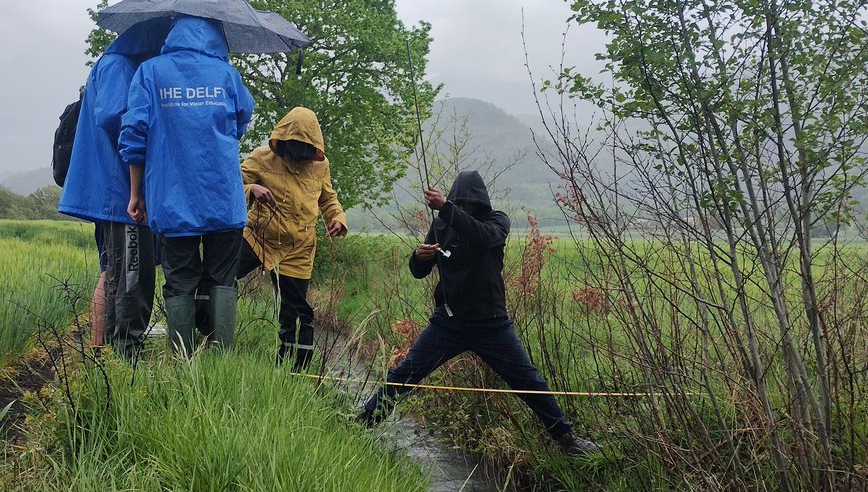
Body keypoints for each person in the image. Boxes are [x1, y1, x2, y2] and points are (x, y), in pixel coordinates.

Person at [359, 170, 600, 455]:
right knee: (404, 374)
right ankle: (362, 424)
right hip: (448, 324)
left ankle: (567, 439)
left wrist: (447, 208)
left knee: (529, 382)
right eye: (460, 204)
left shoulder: (496, 221)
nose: (464, 209)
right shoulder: (441, 225)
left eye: (469, 204)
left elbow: (482, 237)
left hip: (491, 324)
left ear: (480, 203)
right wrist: (419, 258)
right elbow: (419, 273)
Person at [119, 16, 255, 353]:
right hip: (223, 195)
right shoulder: (226, 74)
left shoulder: (150, 72)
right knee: (222, 278)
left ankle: (183, 361)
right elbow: (242, 118)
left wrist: (137, 194)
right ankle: (219, 358)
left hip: (172, 197)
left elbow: (134, 136)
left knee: (180, 279)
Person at [57, 19, 171, 359]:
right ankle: (124, 356)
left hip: (114, 193)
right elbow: (115, 118)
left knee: (115, 271)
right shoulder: (118, 65)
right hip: (118, 193)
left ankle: (101, 356)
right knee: (132, 277)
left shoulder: (117, 62)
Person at [235, 107, 347, 372]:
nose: (298, 156)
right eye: (294, 149)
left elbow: (328, 199)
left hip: (299, 247)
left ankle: (292, 370)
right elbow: (231, 184)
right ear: (283, 142)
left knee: (295, 312)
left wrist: (338, 219)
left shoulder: (321, 165)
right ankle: (210, 342)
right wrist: (252, 189)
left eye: (305, 151)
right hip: (257, 238)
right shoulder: (261, 158)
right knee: (220, 278)